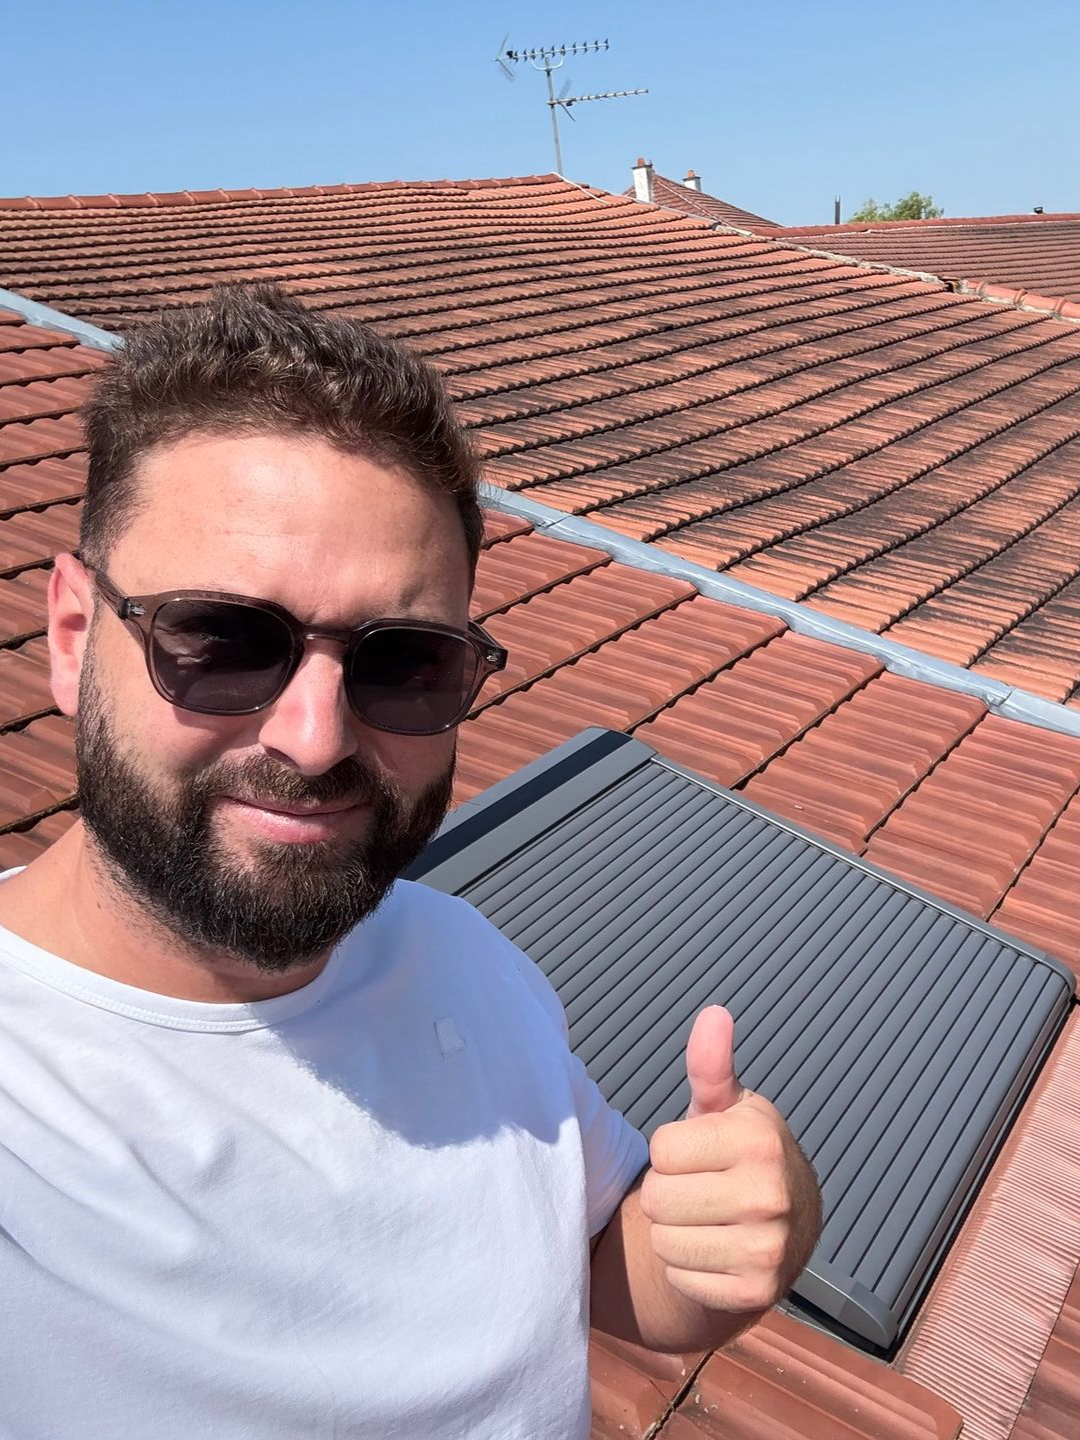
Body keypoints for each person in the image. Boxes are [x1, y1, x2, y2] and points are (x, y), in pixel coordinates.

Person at [0, 285, 821, 1438]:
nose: (316, 738)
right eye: (224, 639)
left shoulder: (458, 955)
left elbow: (595, 1266)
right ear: (74, 637)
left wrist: (744, 1227)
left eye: (402, 662)